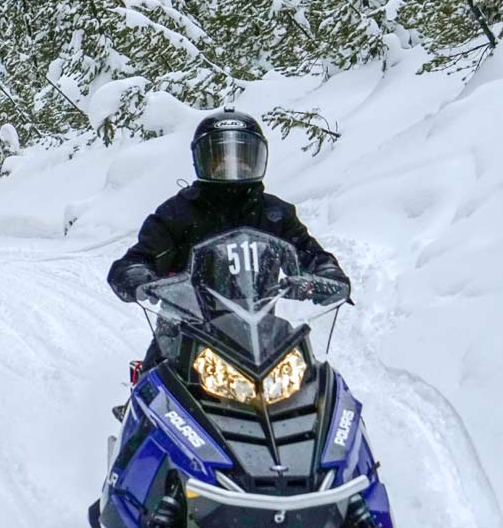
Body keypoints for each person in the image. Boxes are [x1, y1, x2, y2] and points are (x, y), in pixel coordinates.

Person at [108, 107, 350, 366]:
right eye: (220, 158)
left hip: (263, 338)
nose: (232, 166)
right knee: (154, 379)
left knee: (317, 381)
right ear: (202, 160)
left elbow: (311, 253)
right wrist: (137, 275)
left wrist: (326, 275)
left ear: (259, 158)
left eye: (243, 156)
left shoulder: (274, 214)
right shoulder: (177, 213)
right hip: (187, 333)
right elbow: (137, 258)